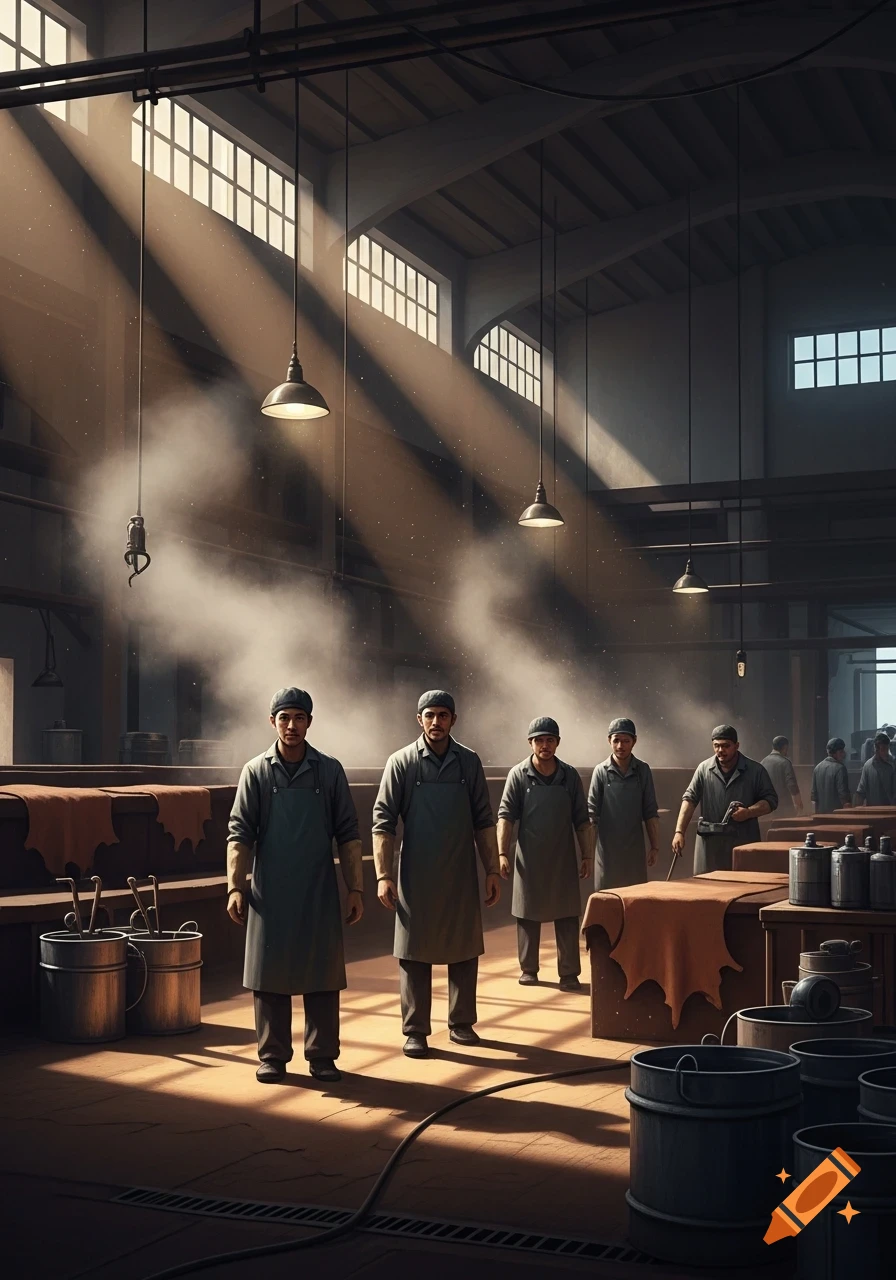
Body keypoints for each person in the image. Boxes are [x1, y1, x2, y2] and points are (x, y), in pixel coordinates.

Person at [227, 688, 364, 1085]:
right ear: (272, 722)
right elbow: (239, 833)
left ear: (309, 722)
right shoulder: (256, 771)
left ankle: (322, 1056)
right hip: (270, 890)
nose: (291, 725)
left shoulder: (329, 770)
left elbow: (348, 832)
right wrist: (236, 886)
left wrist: (354, 888)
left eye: (299, 717)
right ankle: (272, 1055)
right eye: (284, 717)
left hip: (319, 887)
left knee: (321, 973)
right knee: (269, 974)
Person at [372, 690, 500, 1059]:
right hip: (416, 873)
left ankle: (461, 1023)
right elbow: (383, 822)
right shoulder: (401, 762)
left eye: (443, 715)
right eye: (430, 715)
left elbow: (483, 819)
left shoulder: (469, 762)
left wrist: (492, 867)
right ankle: (415, 1030)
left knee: (464, 949)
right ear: (419, 719)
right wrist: (384, 874)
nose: (436, 722)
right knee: (413, 953)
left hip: (460, 870)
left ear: (453, 720)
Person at [497, 717, 593, 992]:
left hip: (563, 857)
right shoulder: (518, 774)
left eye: (550, 740)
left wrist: (586, 855)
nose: (545, 745)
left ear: (558, 743)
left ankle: (569, 973)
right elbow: (505, 816)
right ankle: (529, 969)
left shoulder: (570, 775)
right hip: (529, 857)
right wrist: (502, 852)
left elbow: (582, 819)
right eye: (539, 740)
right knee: (527, 913)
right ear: (530, 743)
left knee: (566, 916)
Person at [672, 725, 777, 874]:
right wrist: (679, 832)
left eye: (726, 746)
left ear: (737, 746)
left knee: (743, 885)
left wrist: (748, 812)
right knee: (706, 887)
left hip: (742, 843)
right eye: (717, 746)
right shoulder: (703, 769)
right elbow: (689, 799)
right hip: (709, 845)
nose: (720, 750)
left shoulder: (755, 770)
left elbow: (771, 801)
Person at [588, 717, 660, 889]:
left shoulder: (642, 770)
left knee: (635, 898)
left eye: (626, 741)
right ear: (609, 741)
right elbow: (592, 814)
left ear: (634, 741)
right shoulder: (600, 771)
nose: (620, 746)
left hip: (634, 848)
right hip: (606, 850)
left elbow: (650, 811)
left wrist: (655, 846)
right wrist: (588, 854)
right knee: (606, 897)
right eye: (616, 740)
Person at [761, 736, 804, 816]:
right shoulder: (785, 763)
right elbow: (792, 786)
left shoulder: (763, 762)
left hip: (767, 808)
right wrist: (798, 804)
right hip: (784, 808)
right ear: (785, 747)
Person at [811, 738, 852, 814]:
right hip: (836, 816)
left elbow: (814, 797)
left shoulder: (817, 768)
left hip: (820, 816)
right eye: (841, 751)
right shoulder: (840, 768)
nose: (843, 754)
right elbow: (844, 796)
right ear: (835, 753)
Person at [856, 732, 896, 806]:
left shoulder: (893, 764)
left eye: (886, 749)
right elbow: (861, 792)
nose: (885, 752)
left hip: (891, 810)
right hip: (873, 811)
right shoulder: (868, 766)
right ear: (876, 749)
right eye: (883, 749)